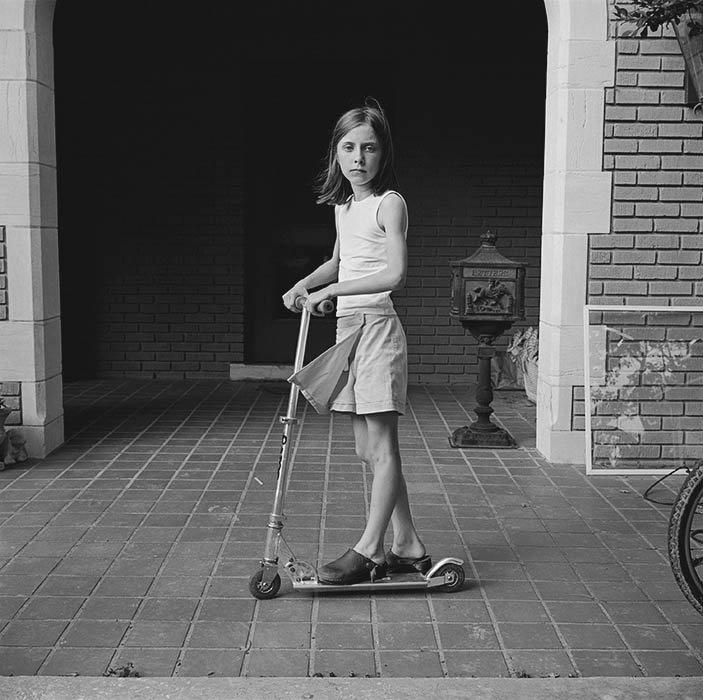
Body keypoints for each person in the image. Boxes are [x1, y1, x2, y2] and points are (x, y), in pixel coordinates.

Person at [282, 98, 429, 585]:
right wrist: (305, 285)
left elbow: (394, 274)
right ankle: (407, 544)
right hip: (349, 332)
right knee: (367, 450)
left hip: (378, 330)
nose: (358, 157)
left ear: (382, 153)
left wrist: (332, 290)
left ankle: (370, 550)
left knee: (383, 445)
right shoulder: (346, 207)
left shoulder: (391, 204)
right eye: (349, 147)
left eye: (368, 147)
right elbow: (339, 262)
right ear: (337, 154)